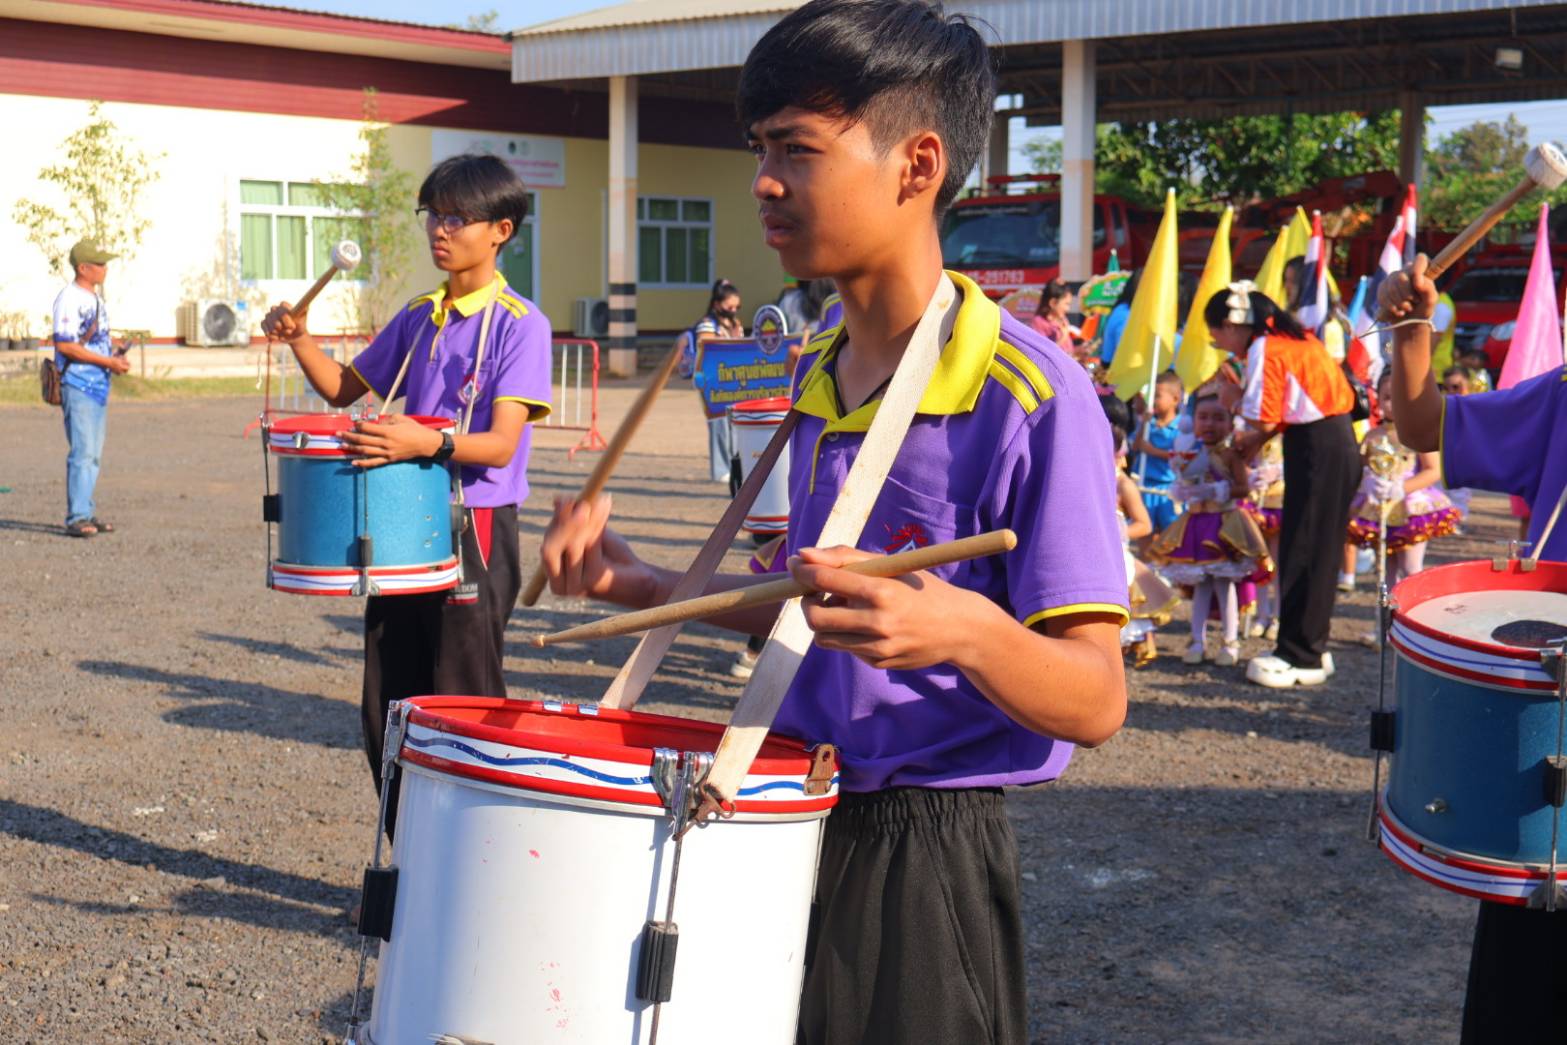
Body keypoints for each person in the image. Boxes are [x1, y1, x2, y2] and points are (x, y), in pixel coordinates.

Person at [540, 3, 1129, 1040]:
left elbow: (1095, 696)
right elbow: (803, 610)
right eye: (759, 149)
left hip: (924, 849)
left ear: (917, 165)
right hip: (785, 809)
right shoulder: (816, 371)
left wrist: (962, 630)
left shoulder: (1027, 394)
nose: (763, 182)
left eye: (797, 150)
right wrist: (645, 585)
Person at [260, 154, 551, 840]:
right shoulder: (421, 314)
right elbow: (343, 388)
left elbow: (500, 445)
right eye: (433, 215)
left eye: (458, 217)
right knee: (390, 704)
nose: (440, 230)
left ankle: (478, 856)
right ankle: (414, 857)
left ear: (501, 230)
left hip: (473, 528)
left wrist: (427, 442)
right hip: (400, 526)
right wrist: (302, 340)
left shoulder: (520, 323)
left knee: (465, 701)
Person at [1382, 252, 1567, 1043]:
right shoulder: (1561, 396)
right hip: (1552, 738)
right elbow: (1423, 426)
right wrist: (1411, 327)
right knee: (1526, 991)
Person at [1206, 280, 1359, 688]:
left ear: (1231, 325)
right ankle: (1311, 645)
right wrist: (1255, 440)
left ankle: (1299, 655)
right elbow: (1284, 415)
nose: (1221, 346)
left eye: (1217, 337)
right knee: (1317, 549)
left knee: (1304, 549)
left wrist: (1232, 398)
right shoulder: (1298, 339)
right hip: (1331, 442)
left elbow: (1263, 416)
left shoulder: (1265, 347)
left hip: (1317, 448)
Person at [1149, 392, 1272, 667]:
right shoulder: (1188, 454)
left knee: (1224, 584)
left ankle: (1230, 641)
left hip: (1223, 524)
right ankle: (1197, 640)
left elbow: (1243, 488)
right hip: (1196, 523)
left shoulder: (1231, 455)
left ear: (1230, 423)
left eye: (1218, 418)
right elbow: (1183, 482)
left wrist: (1217, 490)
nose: (1209, 424)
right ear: (1192, 422)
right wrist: (1181, 490)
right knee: (1202, 586)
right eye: (1203, 417)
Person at [1344, 370, 1461, 591]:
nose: (1392, 404)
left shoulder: (1417, 433)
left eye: (1399, 397)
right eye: (1387, 398)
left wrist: (1401, 487)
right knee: (1384, 570)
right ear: (1378, 400)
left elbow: (1433, 470)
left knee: (1410, 567)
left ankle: (1413, 609)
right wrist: (1368, 481)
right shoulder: (1372, 436)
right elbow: (1361, 468)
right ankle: (1386, 613)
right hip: (1379, 507)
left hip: (1411, 507)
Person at [51, 238, 131, 538]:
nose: (105, 268)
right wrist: (109, 362)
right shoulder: (69, 299)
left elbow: (92, 337)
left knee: (93, 453)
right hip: (79, 383)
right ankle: (77, 516)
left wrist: (115, 348)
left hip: (97, 384)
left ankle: (85, 509)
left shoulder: (95, 299)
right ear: (83, 268)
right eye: (99, 264)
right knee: (83, 453)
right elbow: (65, 344)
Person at [689, 278, 746, 484]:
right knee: (719, 424)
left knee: (736, 425)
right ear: (716, 304)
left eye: (737, 307)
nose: (733, 310)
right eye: (730, 306)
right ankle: (721, 469)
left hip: (734, 381)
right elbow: (707, 348)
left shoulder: (736, 324)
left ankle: (736, 466)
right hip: (713, 381)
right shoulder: (707, 324)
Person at [1132, 370, 1183, 535]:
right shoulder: (1149, 423)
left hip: (1167, 488)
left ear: (1175, 399)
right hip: (1145, 483)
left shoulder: (1182, 427)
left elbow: (1180, 456)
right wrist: (1144, 424)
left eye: (1158, 396)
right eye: (1152, 396)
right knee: (1145, 532)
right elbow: (1135, 447)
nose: (1153, 401)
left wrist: (1151, 450)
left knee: (1170, 533)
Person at [1029, 278, 1077, 356]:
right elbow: (1042, 354)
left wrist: (1079, 351)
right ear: (1053, 303)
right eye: (1066, 304)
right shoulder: (1039, 322)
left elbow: (1069, 351)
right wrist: (1062, 338)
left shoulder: (1063, 320)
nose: (1068, 309)